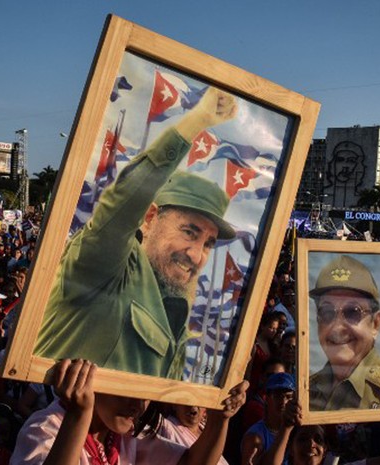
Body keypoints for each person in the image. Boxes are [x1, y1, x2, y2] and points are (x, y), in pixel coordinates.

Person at [34, 87, 238, 379]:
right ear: (150, 217)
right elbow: (127, 197)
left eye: (208, 243)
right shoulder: (105, 266)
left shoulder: (177, 309)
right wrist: (197, 121)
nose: (196, 254)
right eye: (189, 232)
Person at [10, 358, 247, 465]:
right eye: (126, 390)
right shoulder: (45, 427)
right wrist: (78, 414)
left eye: (146, 394)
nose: (138, 405)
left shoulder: (123, 436)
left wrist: (219, 418)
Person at [308, 255, 380, 410]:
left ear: (375, 324)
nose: (337, 327)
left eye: (352, 312)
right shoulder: (308, 389)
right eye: (327, 312)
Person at [241, 372, 295, 465]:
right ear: (266, 398)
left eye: (288, 397)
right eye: (277, 396)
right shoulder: (254, 437)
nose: (283, 402)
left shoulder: (298, 431)